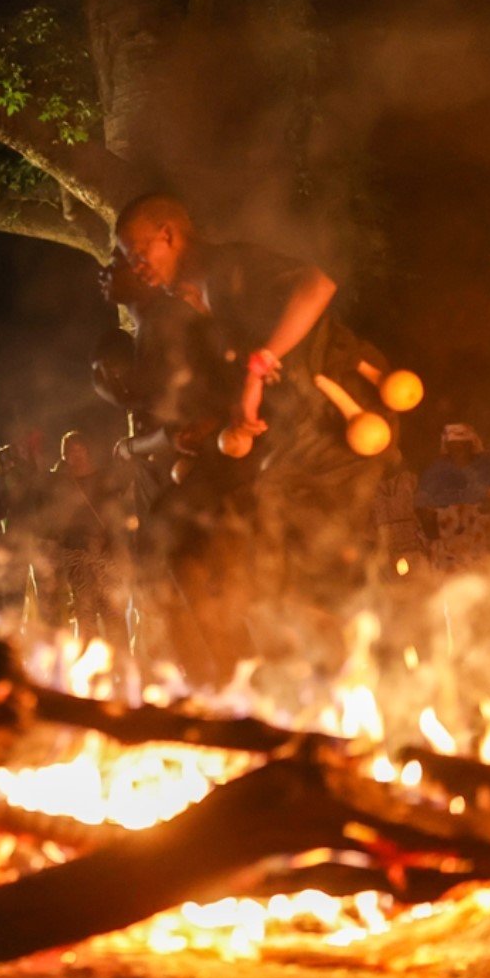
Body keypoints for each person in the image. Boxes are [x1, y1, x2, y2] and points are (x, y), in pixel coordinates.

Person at [113, 193, 392, 681]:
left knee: (264, 568)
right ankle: (232, 685)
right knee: (176, 533)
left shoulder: (226, 268)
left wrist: (259, 367)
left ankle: (327, 688)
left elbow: (317, 284)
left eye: (139, 254)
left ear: (169, 235)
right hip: (280, 446)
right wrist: (226, 418)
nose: (138, 268)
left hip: (322, 442)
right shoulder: (203, 294)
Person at [45, 431, 129, 650]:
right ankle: (91, 665)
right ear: (65, 456)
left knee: (113, 613)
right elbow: (54, 520)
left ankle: (122, 664)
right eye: (72, 451)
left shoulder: (103, 480)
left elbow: (117, 515)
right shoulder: (61, 485)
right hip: (76, 553)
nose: (78, 455)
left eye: (81, 450)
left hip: (105, 553)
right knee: (85, 612)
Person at [416, 423, 490, 573]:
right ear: (447, 446)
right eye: (453, 445)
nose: (458, 449)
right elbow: (424, 507)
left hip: (482, 546)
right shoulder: (436, 472)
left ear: (471, 444)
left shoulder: (487, 467)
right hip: (447, 549)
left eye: (462, 444)